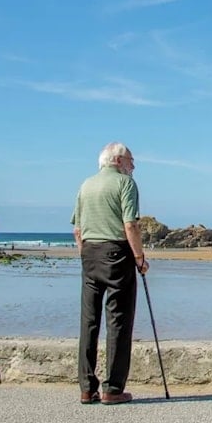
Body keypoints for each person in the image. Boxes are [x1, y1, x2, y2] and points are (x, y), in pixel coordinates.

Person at [72, 142, 149, 406]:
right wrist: (139, 257)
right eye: (130, 160)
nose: (133, 165)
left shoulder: (86, 185)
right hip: (116, 252)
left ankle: (86, 387)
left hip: (90, 252)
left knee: (89, 321)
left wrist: (86, 253)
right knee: (118, 319)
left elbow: (77, 230)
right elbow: (130, 224)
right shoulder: (125, 184)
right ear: (117, 160)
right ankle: (112, 388)